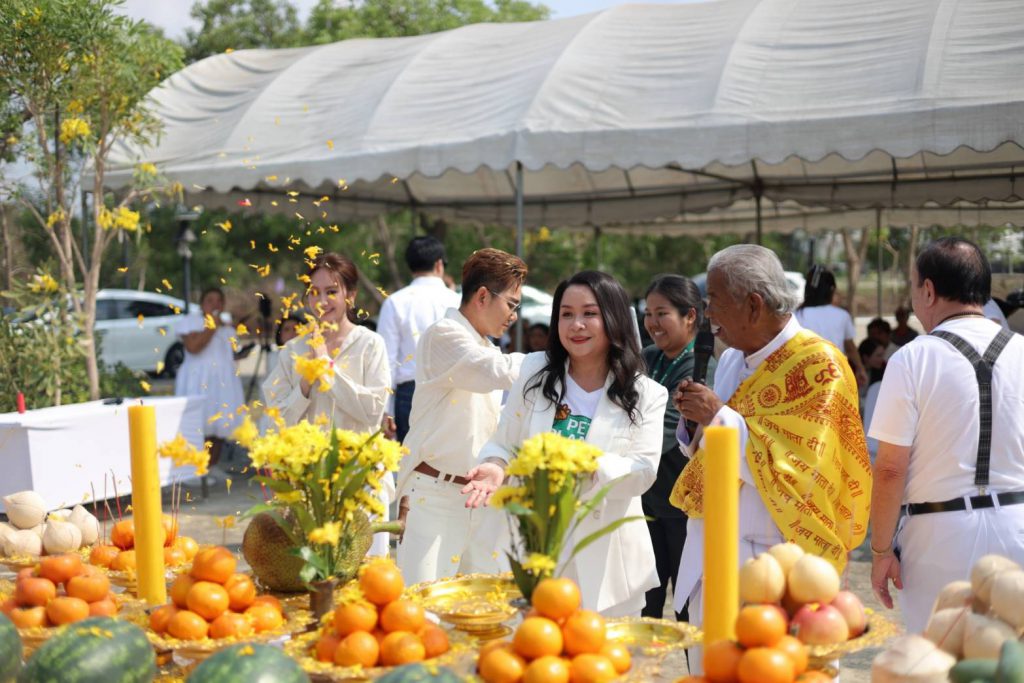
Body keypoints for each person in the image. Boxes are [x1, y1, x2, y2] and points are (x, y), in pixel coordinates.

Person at [670, 246, 871, 672]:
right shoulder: (730, 359)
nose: (708, 314)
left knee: (776, 669)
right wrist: (694, 421)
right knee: (714, 668)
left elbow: (804, 466)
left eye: (715, 301)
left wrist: (717, 415)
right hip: (715, 543)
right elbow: (712, 444)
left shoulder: (819, 364)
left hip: (778, 557)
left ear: (753, 305)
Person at [476, 271, 667, 617]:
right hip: (537, 549)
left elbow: (643, 471)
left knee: (599, 650)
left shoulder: (646, 394)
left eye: (589, 313)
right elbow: (503, 443)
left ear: (613, 318)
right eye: (566, 314)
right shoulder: (534, 371)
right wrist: (493, 466)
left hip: (607, 563)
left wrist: (584, 462)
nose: (576, 325)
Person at [868, 237, 1024, 634]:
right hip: (1018, 525)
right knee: (1011, 657)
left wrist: (881, 550)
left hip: (939, 538)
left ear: (928, 290)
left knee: (939, 657)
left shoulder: (911, 358)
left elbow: (890, 469)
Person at [394, 248, 527, 584]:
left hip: (477, 496)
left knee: (478, 606)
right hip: (434, 495)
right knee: (423, 604)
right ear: (483, 296)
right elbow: (498, 371)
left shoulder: (486, 346)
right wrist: (561, 359)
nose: (513, 316)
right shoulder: (444, 334)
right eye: (511, 305)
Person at [262, 253, 393, 556]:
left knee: (369, 577)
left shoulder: (370, 344)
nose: (321, 301)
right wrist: (305, 384)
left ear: (351, 295)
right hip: (309, 489)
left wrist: (326, 368)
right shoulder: (292, 350)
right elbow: (277, 421)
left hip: (361, 482)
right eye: (314, 292)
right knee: (317, 578)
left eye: (331, 291)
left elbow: (372, 411)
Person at [640, 274, 716, 621]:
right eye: (648, 314)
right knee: (646, 605)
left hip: (686, 509)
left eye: (662, 313)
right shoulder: (648, 357)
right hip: (647, 503)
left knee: (687, 610)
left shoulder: (700, 366)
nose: (653, 323)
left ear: (690, 316)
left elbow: (667, 431)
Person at [376, 236, 460, 442]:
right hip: (452, 389)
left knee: (410, 458)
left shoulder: (395, 302)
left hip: (410, 393)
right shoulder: (457, 301)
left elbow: (386, 361)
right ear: (439, 264)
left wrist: (385, 410)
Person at [174, 287, 245, 468]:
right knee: (199, 423)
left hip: (222, 381)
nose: (215, 305)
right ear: (202, 304)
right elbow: (193, 347)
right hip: (198, 380)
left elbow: (229, 353)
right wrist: (212, 325)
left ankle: (212, 466)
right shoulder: (191, 321)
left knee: (220, 424)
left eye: (219, 301)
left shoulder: (226, 327)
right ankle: (195, 467)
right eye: (210, 300)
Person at [794, 265, 869, 387]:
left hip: (805, 380)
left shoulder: (796, 316)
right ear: (831, 290)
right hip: (834, 379)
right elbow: (850, 348)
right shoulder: (841, 315)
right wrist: (860, 368)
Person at [858, 338, 887, 461]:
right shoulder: (850, 370)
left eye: (882, 355)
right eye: (878, 355)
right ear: (866, 357)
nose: (882, 359)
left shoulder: (884, 369)